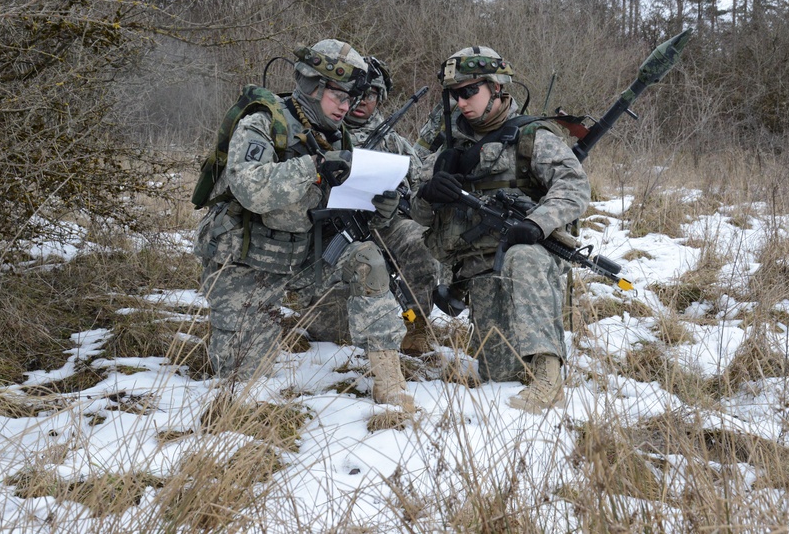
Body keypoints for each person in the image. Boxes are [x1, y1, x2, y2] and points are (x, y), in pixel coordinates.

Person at [194, 39, 415, 411]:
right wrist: (314, 167)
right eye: (339, 96)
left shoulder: (338, 134)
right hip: (251, 260)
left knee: (368, 262)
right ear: (312, 85)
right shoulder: (263, 121)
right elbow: (252, 190)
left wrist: (383, 206)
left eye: (352, 98)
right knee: (244, 383)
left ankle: (390, 383)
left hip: (306, 256)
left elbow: (349, 209)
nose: (347, 106)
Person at [409, 45, 590, 413]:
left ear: (498, 88)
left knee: (524, 256)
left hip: (530, 258)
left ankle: (548, 377)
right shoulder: (448, 145)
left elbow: (574, 188)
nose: (460, 102)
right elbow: (416, 214)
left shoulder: (531, 137)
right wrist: (428, 194)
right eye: (454, 94)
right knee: (500, 372)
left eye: (469, 91)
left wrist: (535, 224)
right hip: (477, 270)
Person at [344, 57, 442, 354]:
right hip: (331, 231)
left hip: (384, 226)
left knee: (421, 242)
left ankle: (416, 324)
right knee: (331, 330)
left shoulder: (393, 142)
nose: (362, 101)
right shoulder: (324, 133)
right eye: (355, 93)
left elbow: (419, 188)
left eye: (371, 95)